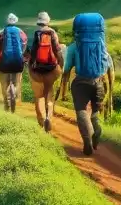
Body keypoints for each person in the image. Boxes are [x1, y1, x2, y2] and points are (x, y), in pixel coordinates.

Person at [58, 12, 114, 156]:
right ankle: (97, 130)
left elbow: (66, 69)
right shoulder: (102, 47)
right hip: (99, 82)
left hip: (80, 82)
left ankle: (87, 140)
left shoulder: (73, 47)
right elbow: (108, 67)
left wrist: (63, 87)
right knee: (94, 112)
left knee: (81, 111)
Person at [28, 11, 63, 131]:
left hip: (38, 70)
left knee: (38, 97)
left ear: (39, 21)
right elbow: (57, 50)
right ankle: (48, 116)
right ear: (48, 21)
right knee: (49, 96)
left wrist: (31, 65)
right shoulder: (52, 33)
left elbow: (32, 52)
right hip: (51, 69)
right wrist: (60, 65)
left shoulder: (36, 33)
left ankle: (41, 120)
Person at [0, 13, 28, 112]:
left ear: (7, 21)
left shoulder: (1, 32)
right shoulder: (21, 32)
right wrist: (21, 54)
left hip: (4, 62)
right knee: (17, 82)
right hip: (17, 61)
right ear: (16, 21)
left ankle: (5, 103)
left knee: (4, 84)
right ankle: (14, 91)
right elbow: (24, 45)